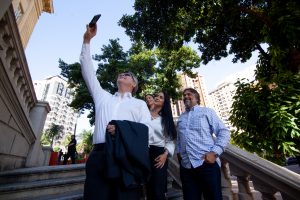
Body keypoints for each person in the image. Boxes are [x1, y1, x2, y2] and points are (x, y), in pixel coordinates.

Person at [80, 23, 153, 200]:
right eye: (121, 74)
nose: (123, 75)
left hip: (127, 158)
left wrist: (120, 129)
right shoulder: (102, 97)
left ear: (134, 84)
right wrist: (87, 40)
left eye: (127, 75)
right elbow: (87, 69)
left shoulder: (139, 104)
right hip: (100, 156)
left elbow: (146, 132)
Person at [176, 88, 230, 200]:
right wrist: (179, 154)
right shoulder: (181, 118)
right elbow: (179, 139)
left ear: (196, 98)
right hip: (186, 168)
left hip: (206, 164)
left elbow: (224, 132)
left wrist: (215, 153)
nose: (185, 96)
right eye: (184, 95)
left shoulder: (207, 112)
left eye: (189, 94)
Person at [146, 91, 177, 200]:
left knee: (158, 189)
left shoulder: (165, 120)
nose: (157, 98)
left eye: (161, 97)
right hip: (143, 153)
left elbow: (170, 141)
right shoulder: (143, 114)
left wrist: (165, 155)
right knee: (146, 187)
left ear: (165, 103)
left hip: (159, 155)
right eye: (156, 96)